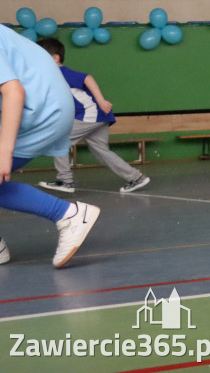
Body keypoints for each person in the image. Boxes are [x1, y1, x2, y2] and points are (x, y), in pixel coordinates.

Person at [0, 24, 101, 268]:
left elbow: (14, 91)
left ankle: (69, 214)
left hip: (42, 110)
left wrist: (4, 151)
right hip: (48, 106)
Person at [36, 38, 150, 195]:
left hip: (91, 114)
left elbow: (87, 78)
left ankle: (65, 181)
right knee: (100, 150)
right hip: (98, 116)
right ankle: (136, 177)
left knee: (59, 140)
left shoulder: (60, 72)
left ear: (55, 58)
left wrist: (101, 100)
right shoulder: (50, 76)